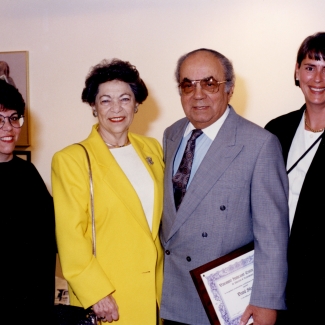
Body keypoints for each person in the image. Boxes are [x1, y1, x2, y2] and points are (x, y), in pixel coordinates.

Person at [160, 48, 289, 325]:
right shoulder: (171, 134)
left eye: (209, 84)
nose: (198, 94)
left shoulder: (259, 144)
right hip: (170, 295)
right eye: (187, 85)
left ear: (229, 89)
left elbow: (272, 234)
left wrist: (266, 301)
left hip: (226, 307)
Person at [51, 59, 164, 324]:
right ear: (93, 106)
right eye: (105, 100)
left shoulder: (152, 149)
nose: (116, 108)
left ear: (136, 104)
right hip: (107, 299)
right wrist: (96, 293)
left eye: (125, 99)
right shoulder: (72, 159)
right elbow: (70, 236)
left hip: (155, 294)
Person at [265, 32, 325, 325]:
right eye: (311, 67)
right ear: (297, 72)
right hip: (277, 279)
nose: (319, 78)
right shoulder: (276, 130)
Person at [0, 79, 56, 322]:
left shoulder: (27, 173)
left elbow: (51, 232)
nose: (9, 128)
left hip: (32, 306)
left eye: (14, 118)